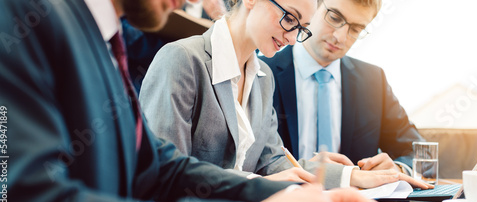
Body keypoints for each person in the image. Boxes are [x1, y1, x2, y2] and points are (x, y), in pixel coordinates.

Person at [0, 0, 386, 202]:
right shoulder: (18, 17)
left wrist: (308, 194)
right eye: (290, 18)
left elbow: (160, 168)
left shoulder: (105, 43)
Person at [139, 0, 429, 189]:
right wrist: (257, 184)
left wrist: (350, 177)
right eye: (290, 18)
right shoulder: (181, 60)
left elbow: (274, 164)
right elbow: (161, 176)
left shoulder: (263, 80)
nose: (292, 38)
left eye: (301, 28)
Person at [260, 0, 425, 178]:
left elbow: (419, 152)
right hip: (283, 199)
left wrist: (397, 169)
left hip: (358, 201)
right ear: (314, 7)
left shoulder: (373, 81)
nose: (340, 37)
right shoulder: (261, 73)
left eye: (355, 29)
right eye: (334, 17)